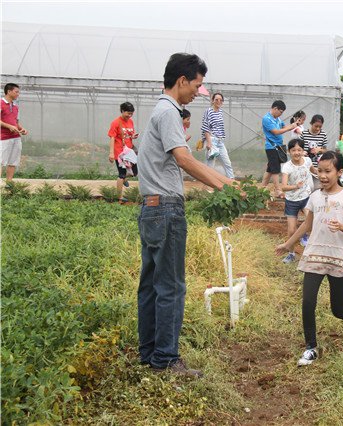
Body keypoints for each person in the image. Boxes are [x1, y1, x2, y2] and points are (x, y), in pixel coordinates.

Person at [137, 53, 234, 377]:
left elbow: (182, 161)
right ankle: (165, 359)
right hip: (166, 209)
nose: (199, 91)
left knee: (152, 284)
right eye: (197, 84)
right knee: (171, 286)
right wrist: (225, 187)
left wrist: (226, 182)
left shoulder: (162, 111)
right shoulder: (169, 113)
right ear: (182, 81)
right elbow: (183, 159)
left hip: (152, 207)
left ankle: (149, 353)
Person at [276, 151, 343, 366]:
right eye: (320, 171)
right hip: (314, 253)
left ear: (340, 172)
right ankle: (311, 347)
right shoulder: (315, 196)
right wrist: (288, 244)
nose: (323, 175)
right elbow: (307, 225)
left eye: (328, 171)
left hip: (335, 255)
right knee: (308, 302)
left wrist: (341, 226)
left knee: (337, 308)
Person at [280, 138, 316, 264]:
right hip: (291, 201)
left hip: (306, 197)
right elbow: (283, 187)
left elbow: (314, 171)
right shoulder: (287, 167)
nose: (296, 152)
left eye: (299, 150)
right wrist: (295, 186)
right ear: (289, 152)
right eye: (294, 150)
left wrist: (325, 173)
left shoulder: (307, 161)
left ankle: (310, 252)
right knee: (291, 230)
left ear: (303, 151)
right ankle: (291, 254)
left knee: (311, 223)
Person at [261, 100, 304, 197]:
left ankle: (262, 187)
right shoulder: (267, 119)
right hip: (271, 147)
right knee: (275, 169)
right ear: (275, 108)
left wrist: (295, 124)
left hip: (278, 146)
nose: (281, 114)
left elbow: (285, 126)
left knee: (270, 169)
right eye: (280, 111)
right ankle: (278, 190)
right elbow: (276, 131)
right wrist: (290, 128)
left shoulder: (277, 119)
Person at [108, 102, 139, 202]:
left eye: (131, 114)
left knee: (134, 172)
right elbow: (112, 138)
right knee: (121, 174)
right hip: (119, 152)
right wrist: (111, 153)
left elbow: (128, 134)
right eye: (128, 113)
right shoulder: (116, 122)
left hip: (129, 151)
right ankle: (119, 197)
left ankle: (124, 179)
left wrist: (132, 136)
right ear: (122, 111)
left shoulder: (130, 122)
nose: (129, 116)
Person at [201, 92, 234, 179]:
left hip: (220, 141)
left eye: (221, 100)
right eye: (216, 100)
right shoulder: (208, 111)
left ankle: (232, 183)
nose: (219, 101)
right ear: (212, 101)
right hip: (212, 140)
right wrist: (209, 142)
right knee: (210, 165)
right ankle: (207, 187)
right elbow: (206, 127)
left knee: (227, 163)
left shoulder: (220, 112)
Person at [1, 83, 28, 184]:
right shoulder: (1, 103)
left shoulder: (16, 107)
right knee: (1, 161)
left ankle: (9, 183)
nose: (18, 94)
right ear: (9, 91)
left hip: (16, 137)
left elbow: (16, 122)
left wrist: (22, 129)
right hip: (4, 138)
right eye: (16, 92)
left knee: (13, 162)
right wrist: (9, 126)